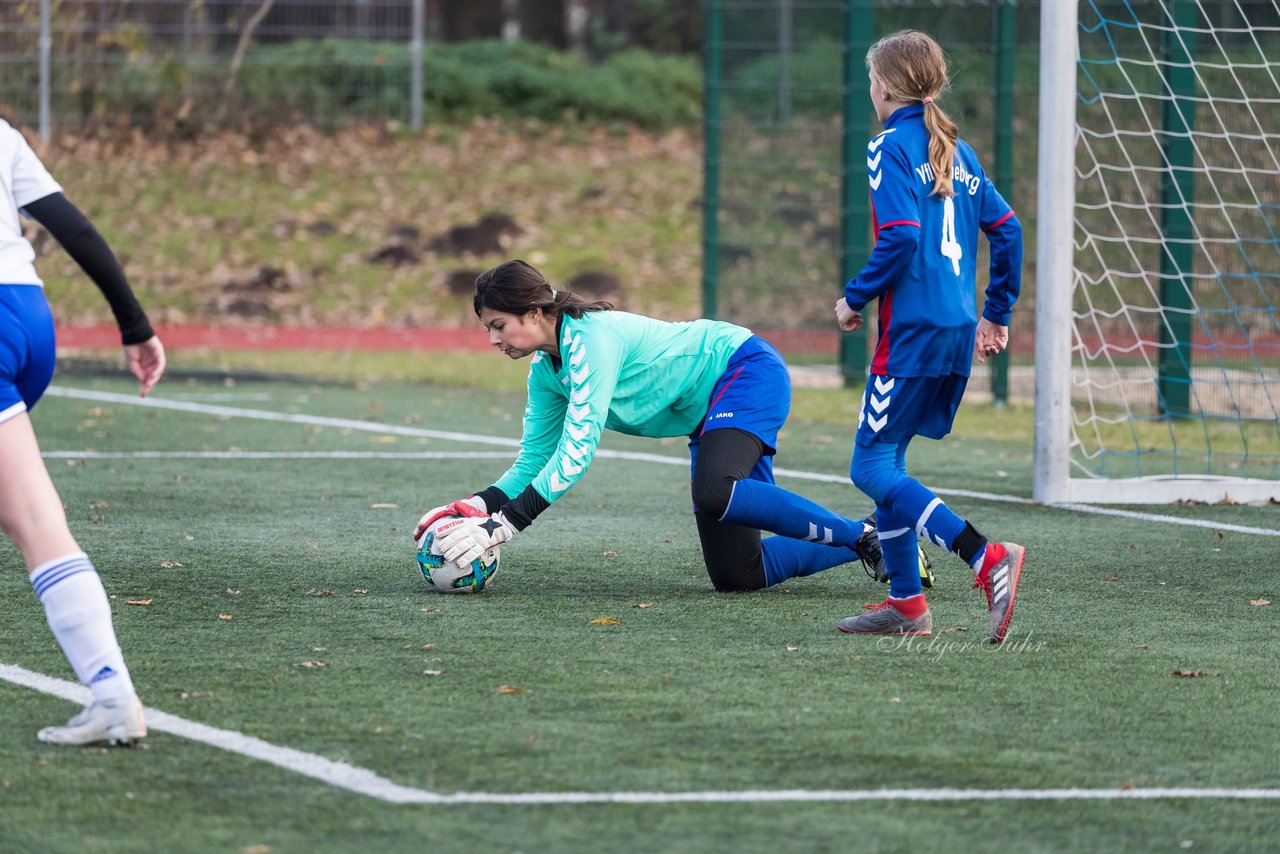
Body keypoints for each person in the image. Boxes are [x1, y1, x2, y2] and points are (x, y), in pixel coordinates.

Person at [414, 259, 933, 594]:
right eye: (488, 329)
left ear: (533, 312)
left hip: (743, 370)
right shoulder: (546, 373)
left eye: (497, 326)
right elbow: (534, 460)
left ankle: (864, 536)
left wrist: (503, 527)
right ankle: (884, 535)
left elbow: (577, 452)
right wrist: (478, 506)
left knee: (715, 489)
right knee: (738, 575)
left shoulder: (589, 340)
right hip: (710, 416)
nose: (492, 340)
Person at [832, 31, 1026, 643]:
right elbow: (1010, 229)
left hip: (912, 332)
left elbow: (900, 237)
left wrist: (853, 297)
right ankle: (907, 606)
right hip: (957, 327)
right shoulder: (956, 151)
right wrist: (996, 314)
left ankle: (983, 556)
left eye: (871, 80)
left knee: (869, 465)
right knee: (891, 462)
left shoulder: (888, 145)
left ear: (884, 86)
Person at [0, 118, 165, 744]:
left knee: (38, 525)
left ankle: (112, 694)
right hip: (27, 318)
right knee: (26, 519)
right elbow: (74, 227)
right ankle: (111, 698)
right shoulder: (2, 134)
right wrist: (135, 324)